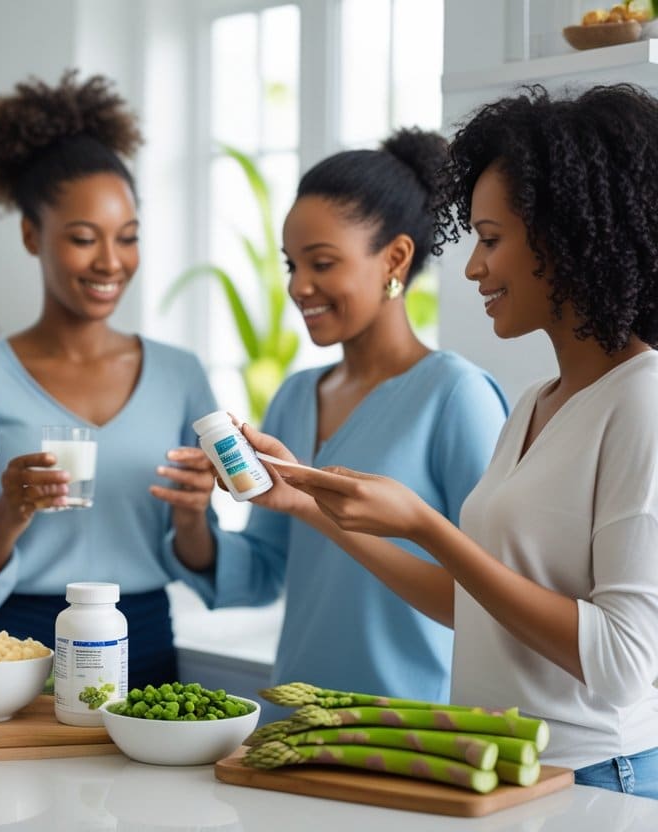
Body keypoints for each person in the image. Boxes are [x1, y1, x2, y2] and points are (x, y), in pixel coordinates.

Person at [257, 84, 658, 796]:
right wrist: (311, 509)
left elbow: (625, 660)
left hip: (595, 775)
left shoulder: (644, 401)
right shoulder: (538, 402)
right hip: (504, 767)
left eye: (492, 240)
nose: (472, 265)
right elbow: (473, 606)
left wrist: (426, 526)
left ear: (566, 237)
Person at [167, 130, 508, 718]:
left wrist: (308, 504)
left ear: (395, 259)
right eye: (292, 264)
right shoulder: (298, 396)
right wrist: (192, 522)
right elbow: (264, 573)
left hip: (411, 730)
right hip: (294, 720)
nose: (299, 286)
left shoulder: (457, 396)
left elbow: (491, 596)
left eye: (322, 263)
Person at [0, 70, 224, 687]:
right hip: (5, 648)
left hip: (144, 637)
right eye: (84, 238)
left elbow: (201, 558)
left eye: (128, 238)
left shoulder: (180, 375)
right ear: (32, 235)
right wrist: (12, 508)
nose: (110, 262)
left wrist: (194, 516)